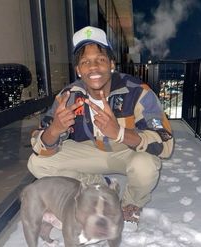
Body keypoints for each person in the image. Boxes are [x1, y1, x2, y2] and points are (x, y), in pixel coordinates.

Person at [27, 26, 174, 226]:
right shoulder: (68, 96)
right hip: (91, 152)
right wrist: (55, 129)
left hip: (126, 152)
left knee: (146, 165)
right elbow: (39, 144)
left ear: (111, 64)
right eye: (85, 62)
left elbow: (165, 143)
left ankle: (129, 206)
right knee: (37, 164)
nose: (93, 67)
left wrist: (120, 133)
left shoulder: (137, 92)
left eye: (100, 60)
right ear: (78, 70)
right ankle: (100, 185)